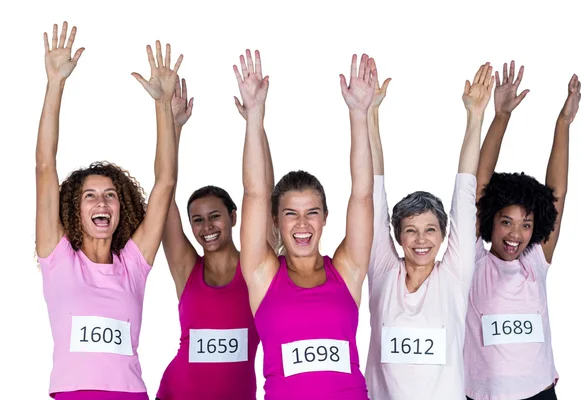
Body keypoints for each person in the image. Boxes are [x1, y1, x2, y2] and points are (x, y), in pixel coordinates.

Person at [35, 21, 181, 399]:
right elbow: (45, 167)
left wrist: (162, 105)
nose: (101, 202)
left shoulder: (132, 264)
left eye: (110, 195)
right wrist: (55, 84)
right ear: (75, 209)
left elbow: (165, 182)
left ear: (122, 206)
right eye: (89, 196)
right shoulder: (58, 258)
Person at [237, 50, 376, 399]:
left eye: (312, 212)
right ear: (276, 221)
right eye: (290, 214)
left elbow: (362, 194)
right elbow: (255, 192)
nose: (302, 224)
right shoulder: (262, 273)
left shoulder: (348, 269)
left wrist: (359, 115)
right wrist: (255, 117)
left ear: (325, 218)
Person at [364, 61, 493, 400]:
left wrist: (475, 117)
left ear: (443, 234)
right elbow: (374, 196)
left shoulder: (454, 275)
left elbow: (464, 196)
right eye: (411, 230)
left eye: (430, 230)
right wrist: (370, 116)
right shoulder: (382, 272)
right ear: (397, 236)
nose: (421, 239)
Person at [464, 62, 581, 400]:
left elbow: (557, 193)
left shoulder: (535, 262)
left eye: (526, 224)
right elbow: (478, 183)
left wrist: (565, 122)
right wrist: (501, 116)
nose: (516, 234)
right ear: (490, 220)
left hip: (540, 393)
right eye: (507, 222)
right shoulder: (473, 263)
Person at [155, 71, 274, 399]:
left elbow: (261, 191)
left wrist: (255, 121)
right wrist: (172, 128)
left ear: (233, 217)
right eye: (197, 220)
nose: (206, 227)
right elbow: (164, 196)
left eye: (215, 216)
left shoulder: (258, 267)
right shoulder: (186, 269)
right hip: (176, 392)